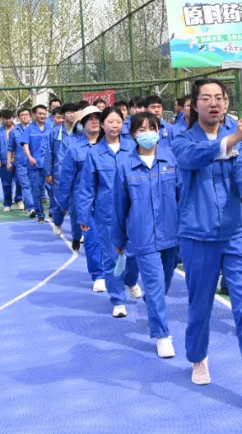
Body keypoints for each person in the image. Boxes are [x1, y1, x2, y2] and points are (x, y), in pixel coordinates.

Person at [171, 79, 242, 414]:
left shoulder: (237, 135)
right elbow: (192, 159)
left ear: (227, 102)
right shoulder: (182, 138)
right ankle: (198, 356)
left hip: (237, 233)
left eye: (219, 97)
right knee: (200, 304)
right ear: (194, 105)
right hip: (198, 235)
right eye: (205, 98)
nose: (213, 103)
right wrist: (231, 141)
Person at [112, 111, 181, 358]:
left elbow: (182, 196)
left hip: (172, 234)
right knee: (154, 283)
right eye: (141, 129)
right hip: (143, 236)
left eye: (152, 128)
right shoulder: (125, 165)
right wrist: (119, 239)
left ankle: (152, 303)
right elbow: (119, 205)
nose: (148, 133)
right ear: (133, 134)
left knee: (164, 282)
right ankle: (162, 334)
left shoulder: (171, 159)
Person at [78, 107, 140, 316]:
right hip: (106, 214)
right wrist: (84, 215)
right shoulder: (94, 153)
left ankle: (130, 279)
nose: (115, 126)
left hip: (134, 212)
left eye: (118, 122)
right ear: (103, 125)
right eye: (110, 122)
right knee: (112, 258)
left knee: (135, 254)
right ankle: (118, 300)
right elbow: (87, 187)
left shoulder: (133, 148)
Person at [53, 105, 105, 290]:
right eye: (90, 118)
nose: (94, 121)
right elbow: (66, 177)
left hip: (110, 201)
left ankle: (117, 273)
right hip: (85, 202)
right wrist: (63, 202)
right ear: (82, 123)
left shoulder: (111, 145)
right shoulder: (74, 149)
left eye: (98, 117)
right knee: (92, 239)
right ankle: (99, 275)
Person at [49, 102, 81, 226]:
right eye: (69, 112)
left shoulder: (82, 131)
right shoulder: (54, 132)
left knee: (76, 202)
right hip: (60, 172)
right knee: (62, 200)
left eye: (74, 112)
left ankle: (77, 231)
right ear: (63, 115)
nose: (72, 115)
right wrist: (48, 172)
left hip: (78, 173)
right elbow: (49, 153)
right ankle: (57, 221)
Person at [20, 105, 53, 222]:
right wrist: (30, 157)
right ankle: (40, 214)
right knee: (36, 190)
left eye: (44, 113)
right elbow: (25, 145)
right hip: (34, 165)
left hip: (48, 164)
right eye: (40, 113)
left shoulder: (50, 128)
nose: (42, 116)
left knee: (52, 189)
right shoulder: (29, 129)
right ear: (34, 114)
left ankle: (53, 210)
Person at [0, 111, 18, 211]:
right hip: (4, 161)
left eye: (9, 118)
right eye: (5, 118)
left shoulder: (18, 129)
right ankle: (7, 203)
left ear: (13, 118)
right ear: (2, 119)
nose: (8, 120)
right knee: (6, 184)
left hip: (18, 161)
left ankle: (19, 199)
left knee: (20, 182)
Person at [8, 108, 32, 212]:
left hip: (34, 162)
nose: (25, 116)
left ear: (30, 116)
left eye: (26, 114)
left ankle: (28, 204)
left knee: (34, 185)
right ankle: (30, 207)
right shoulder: (14, 131)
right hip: (21, 162)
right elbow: (10, 148)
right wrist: (8, 162)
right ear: (18, 118)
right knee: (25, 185)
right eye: (22, 115)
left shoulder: (35, 129)